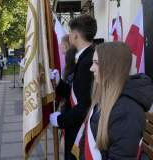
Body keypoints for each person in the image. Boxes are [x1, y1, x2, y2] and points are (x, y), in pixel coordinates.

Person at [79, 42, 152, 160]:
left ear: (112, 67)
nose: (91, 68)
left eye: (97, 63)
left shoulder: (125, 113)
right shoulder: (109, 97)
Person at [50, 14, 97, 159]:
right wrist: (59, 83)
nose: (69, 35)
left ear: (75, 34)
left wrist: (60, 120)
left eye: (70, 32)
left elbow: (83, 107)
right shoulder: (85, 57)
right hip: (77, 128)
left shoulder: (87, 61)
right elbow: (77, 94)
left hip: (79, 131)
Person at [59, 47, 77, 153]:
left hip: (69, 114)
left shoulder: (71, 75)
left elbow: (68, 96)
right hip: (69, 113)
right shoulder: (68, 72)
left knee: (65, 146)